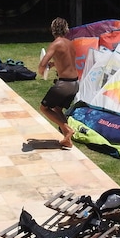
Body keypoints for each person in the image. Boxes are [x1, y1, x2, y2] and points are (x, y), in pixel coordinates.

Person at [38, 17, 79, 148]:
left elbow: (42, 65)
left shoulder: (55, 44)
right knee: (57, 108)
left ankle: (67, 130)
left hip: (64, 84)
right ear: (66, 29)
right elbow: (68, 61)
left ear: (52, 29)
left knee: (44, 108)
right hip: (75, 84)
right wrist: (54, 64)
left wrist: (42, 70)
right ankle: (67, 138)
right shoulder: (70, 43)